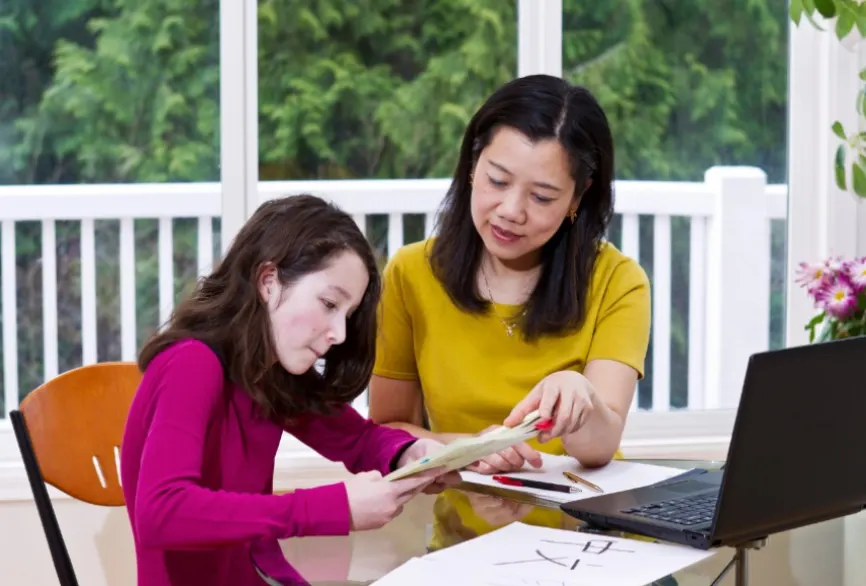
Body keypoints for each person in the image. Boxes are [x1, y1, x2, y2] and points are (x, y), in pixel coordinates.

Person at [120, 194, 460, 586]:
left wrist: (410, 453)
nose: (340, 333)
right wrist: (334, 508)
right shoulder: (190, 365)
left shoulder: (269, 374)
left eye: (347, 315)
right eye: (329, 303)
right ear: (268, 281)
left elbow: (358, 439)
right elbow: (162, 513)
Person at [369, 73, 651, 478]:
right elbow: (387, 432)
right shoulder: (411, 273)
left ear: (579, 195)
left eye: (541, 197)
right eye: (497, 181)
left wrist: (582, 398)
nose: (511, 210)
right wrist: (470, 449)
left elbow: (600, 448)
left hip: (584, 529)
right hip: (462, 527)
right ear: (471, 165)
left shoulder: (618, 281)